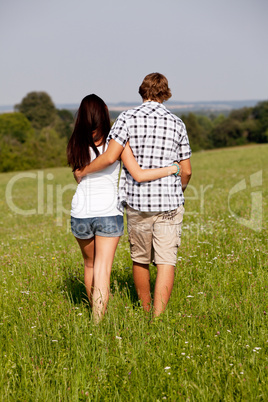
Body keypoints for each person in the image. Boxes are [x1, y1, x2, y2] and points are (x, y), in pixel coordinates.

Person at [74, 74, 192, 317]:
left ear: (142, 92)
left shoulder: (126, 118)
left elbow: (111, 158)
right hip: (167, 202)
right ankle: (156, 319)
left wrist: (82, 171)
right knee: (166, 261)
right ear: (166, 93)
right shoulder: (178, 123)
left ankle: (141, 308)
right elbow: (187, 170)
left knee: (139, 259)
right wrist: (177, 186)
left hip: (135, 204)